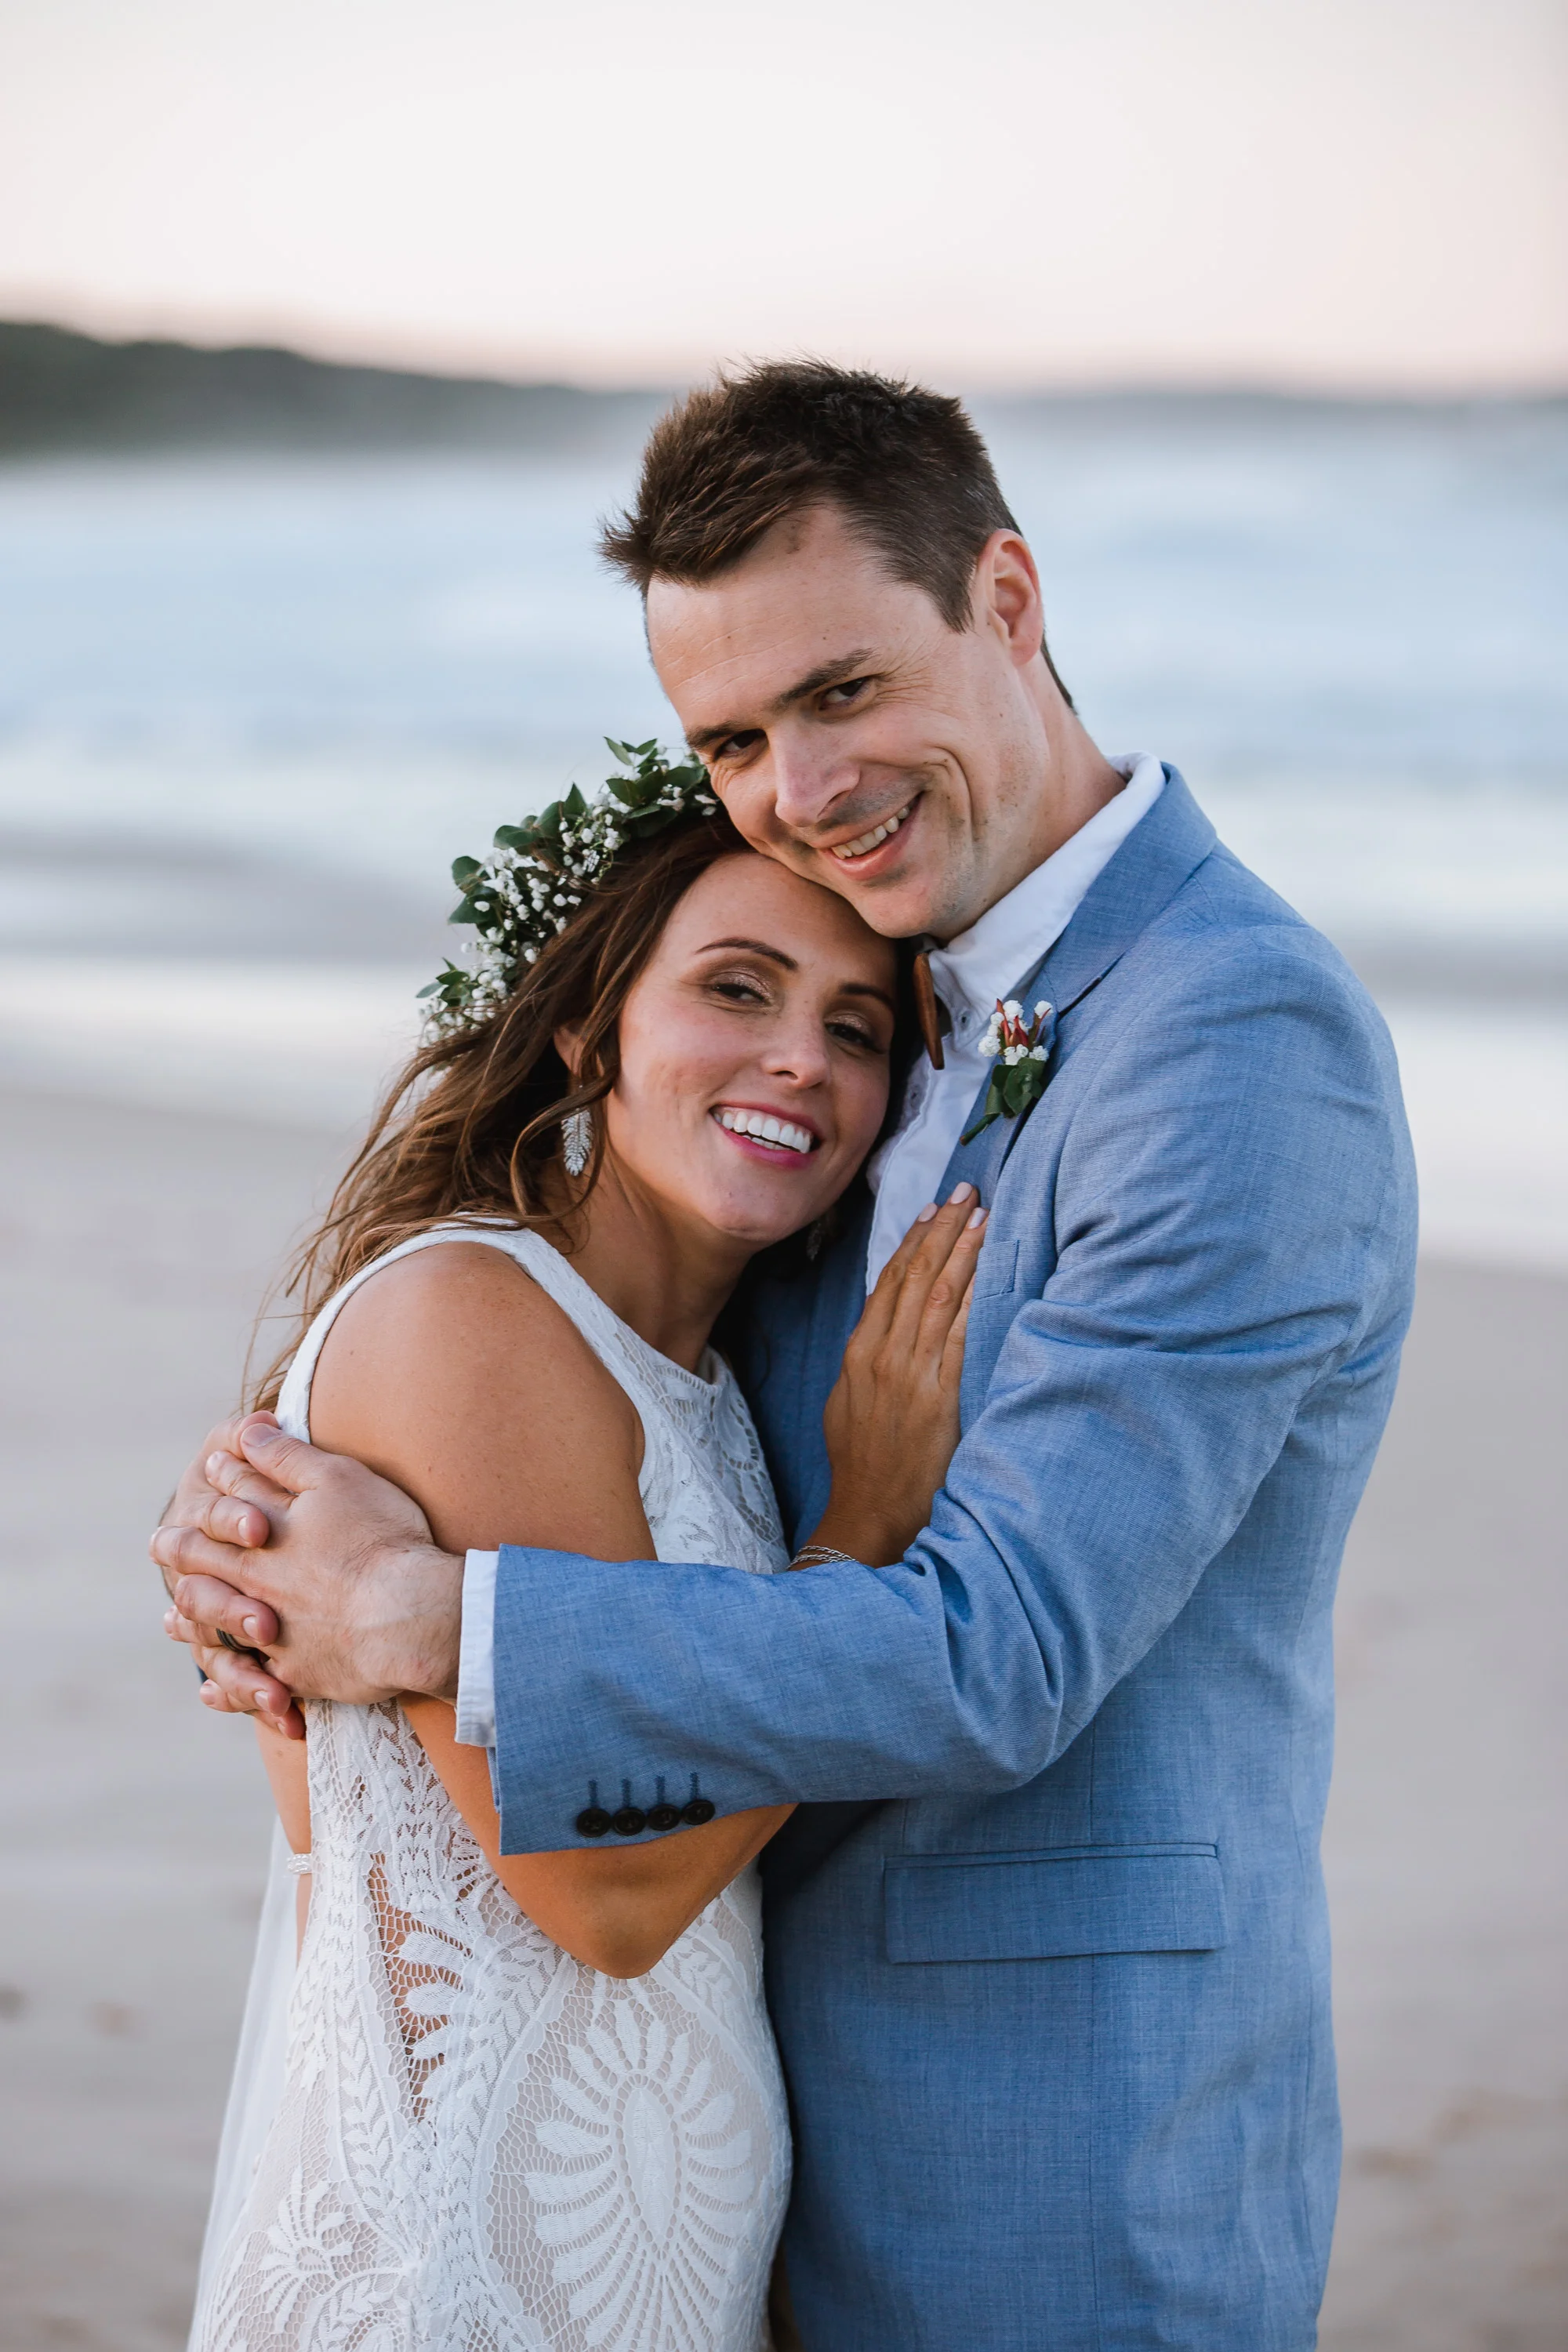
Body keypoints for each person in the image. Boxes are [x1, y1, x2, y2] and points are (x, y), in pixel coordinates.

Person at [158, 363, 1419, 2351]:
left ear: (1006, 597)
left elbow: (1001, 1651)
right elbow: (625, 1405)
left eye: (843, 692)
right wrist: (265, 1524)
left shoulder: (1232, 1039)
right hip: (721, 2142)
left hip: (1054, 2149)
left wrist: (426, 1615)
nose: (803, 791)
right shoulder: (881, 1001)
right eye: (733, 738)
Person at [175, 778, 986, 2351]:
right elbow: (609, 1893)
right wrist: (862, 1540)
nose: (801, 1059)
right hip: (462, 2270)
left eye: (858, 1029)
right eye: (736, 989)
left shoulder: (703, 1384)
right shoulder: (475, 1318)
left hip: (630, 2261)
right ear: (585, 1030)